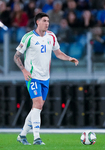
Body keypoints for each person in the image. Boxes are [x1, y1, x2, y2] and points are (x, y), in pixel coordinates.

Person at [14, 12, 79, 145]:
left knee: (37, 108)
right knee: (37, 104)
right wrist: (24, 70)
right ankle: (37, 138)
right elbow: (16, 56)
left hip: (45, 77)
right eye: (44, 20)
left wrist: (69, 58)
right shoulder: (28, 37)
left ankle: (22, 135)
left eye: (48, 21)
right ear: (37, 22)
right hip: (32, 76)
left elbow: (58, 53)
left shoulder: (51, 36)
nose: (47, 23)